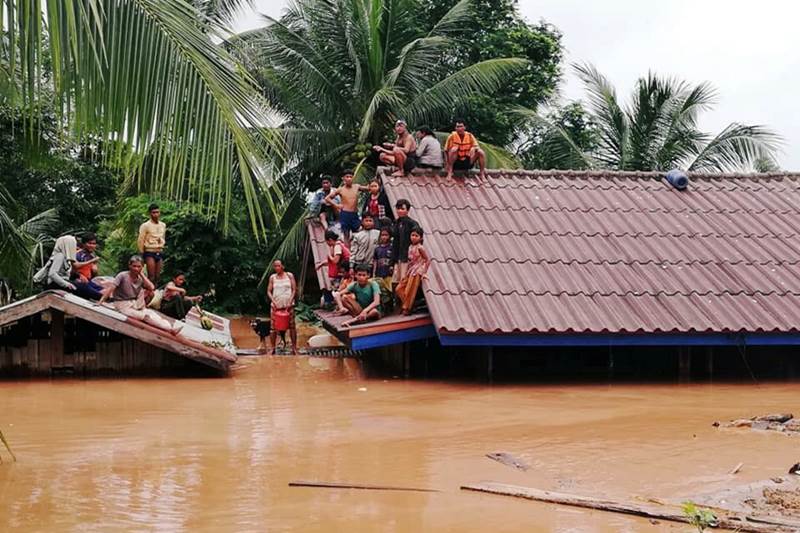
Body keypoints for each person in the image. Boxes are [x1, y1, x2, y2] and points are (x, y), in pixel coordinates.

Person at [99, 255, 182, 335]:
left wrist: (141, 275)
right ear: (129, 265)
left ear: (142, 267)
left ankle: (170, 327)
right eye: (134, 266)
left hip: (134, 304)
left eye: (139, 267)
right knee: (146, 316)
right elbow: (111, 289)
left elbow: (151, 287)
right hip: (122, 304)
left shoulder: (140, 279)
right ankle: (170, 329)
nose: (136, 269)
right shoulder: (122, 275)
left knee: (152, 314)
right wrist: (101, 301)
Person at [395, 227, 430, 315]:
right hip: (411, 269)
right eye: (412, 235)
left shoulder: (420, 248)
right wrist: (406, 272)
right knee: (399, 288)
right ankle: (408, 305)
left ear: (421, 238)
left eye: (416, 236)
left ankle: (407, 308)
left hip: (417, 270)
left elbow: (427, 259)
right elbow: (410, 261)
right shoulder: (410, 247)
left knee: (410, 289)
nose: (414, 237)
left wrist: (424, 272)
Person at [267, 260, 298, 354]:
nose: (277, 268)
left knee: (292, 327)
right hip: (276, 307)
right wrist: (273, 301)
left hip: (288, 307)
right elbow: (268, 291)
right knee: (273, 328)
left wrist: (290, 300)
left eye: (278, 266)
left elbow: (294, 290)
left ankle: (294, 348)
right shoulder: (272, 277)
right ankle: (273, 348)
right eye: (275, 266)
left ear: (283, 266)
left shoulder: (289, 275)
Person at [324, 169, 363, 245]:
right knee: (346, 234)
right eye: (347, 177)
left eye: (351, 177)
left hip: (354, 213)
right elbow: (327, 198)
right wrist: (336, 205)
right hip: (345, 214)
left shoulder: (357, 187)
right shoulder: (340, 189)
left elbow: (369, 188)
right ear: (343, 178)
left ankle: (356, 249)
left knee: (358, 232)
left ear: (353, 178)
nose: (349, 178)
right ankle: (347, 252)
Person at [390, 199, 419, 288]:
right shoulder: (396, 223)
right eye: (398, 209)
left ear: (408, 210)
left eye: (402, 209)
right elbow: (395, 242)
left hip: (407, 257)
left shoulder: (412, 224)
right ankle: (396, 301)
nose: (400, 211)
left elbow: (418, 240)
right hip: (397, 256)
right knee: (395, 281)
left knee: (403, 281)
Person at [138, 203, 166, 285]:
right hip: (149, 251)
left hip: (159, 250)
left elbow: (163, 237)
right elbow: (141, 239)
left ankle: (155, 293)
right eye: (154, 212)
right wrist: (141, 253)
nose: (156, 214)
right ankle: (147, 293)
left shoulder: (163, 225)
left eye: (157, 212)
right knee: (151, 276)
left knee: (157, 276)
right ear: (150, 213)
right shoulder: (145, 225)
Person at [72, 233, 103, 300]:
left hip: (88, 281)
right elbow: (72, 268)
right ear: (84, 244)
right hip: (77, 281)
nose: (92, 246)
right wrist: (79, 275)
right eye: (89, 243)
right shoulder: (78, 254)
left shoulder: (92, 255)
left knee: (105, 290)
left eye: (94, 244)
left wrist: (95, 270)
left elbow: (94, 273)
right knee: (100, 295)